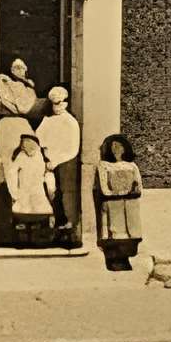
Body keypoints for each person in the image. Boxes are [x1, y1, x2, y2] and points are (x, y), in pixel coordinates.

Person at [38, 87, 86, 248]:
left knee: (66, 194)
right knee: (50, 193)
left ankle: (69, 229)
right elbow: (39, 137)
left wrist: (56, 160)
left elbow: (73, 148)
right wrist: (45, 156)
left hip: (65, 163)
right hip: (48, 163)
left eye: (60, 103)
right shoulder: (48, 120)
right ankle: (54, 227)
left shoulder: (70, 122)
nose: (57, 106)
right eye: (54, 103)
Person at [91, 133, 146, 272]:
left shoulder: (132, 166)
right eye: (113, 146)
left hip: (129, 205)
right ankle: (113, 260)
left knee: (129, 233)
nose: (116, 150)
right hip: (112, 205)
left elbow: (138, 186)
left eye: (119, 146)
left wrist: (132, 192)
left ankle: (125, 259)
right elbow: (104, 188)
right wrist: (116, 194)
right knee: (114, 233)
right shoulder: (104, 166)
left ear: (125, 148)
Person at [0, 113, 56, 243]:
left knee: (41, 212)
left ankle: (39, 237)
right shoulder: (20, 157)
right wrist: (14, 192)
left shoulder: (42, 158)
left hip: (38, 192)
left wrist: (51, 190)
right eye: (25, 144)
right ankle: (23, 237)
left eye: (30, 143)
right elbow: (12, 173)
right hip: (24, 192)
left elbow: (48, 174)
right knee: (22, 213)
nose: (28, 147)